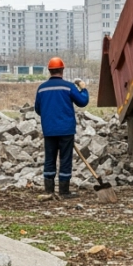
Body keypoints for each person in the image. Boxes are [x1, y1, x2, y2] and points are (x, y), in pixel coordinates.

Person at [34, 57, 89, 198]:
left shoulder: (41, 88)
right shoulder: (68, 86)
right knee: (65, 159)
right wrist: (83, 88)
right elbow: (82, 102)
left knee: (49, 159)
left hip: (49, 130)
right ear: (62, 70)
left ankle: (49, 191)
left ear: (49, 70)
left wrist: (49, 116)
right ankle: (64, 192)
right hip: (66, 130)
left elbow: (38, 109)